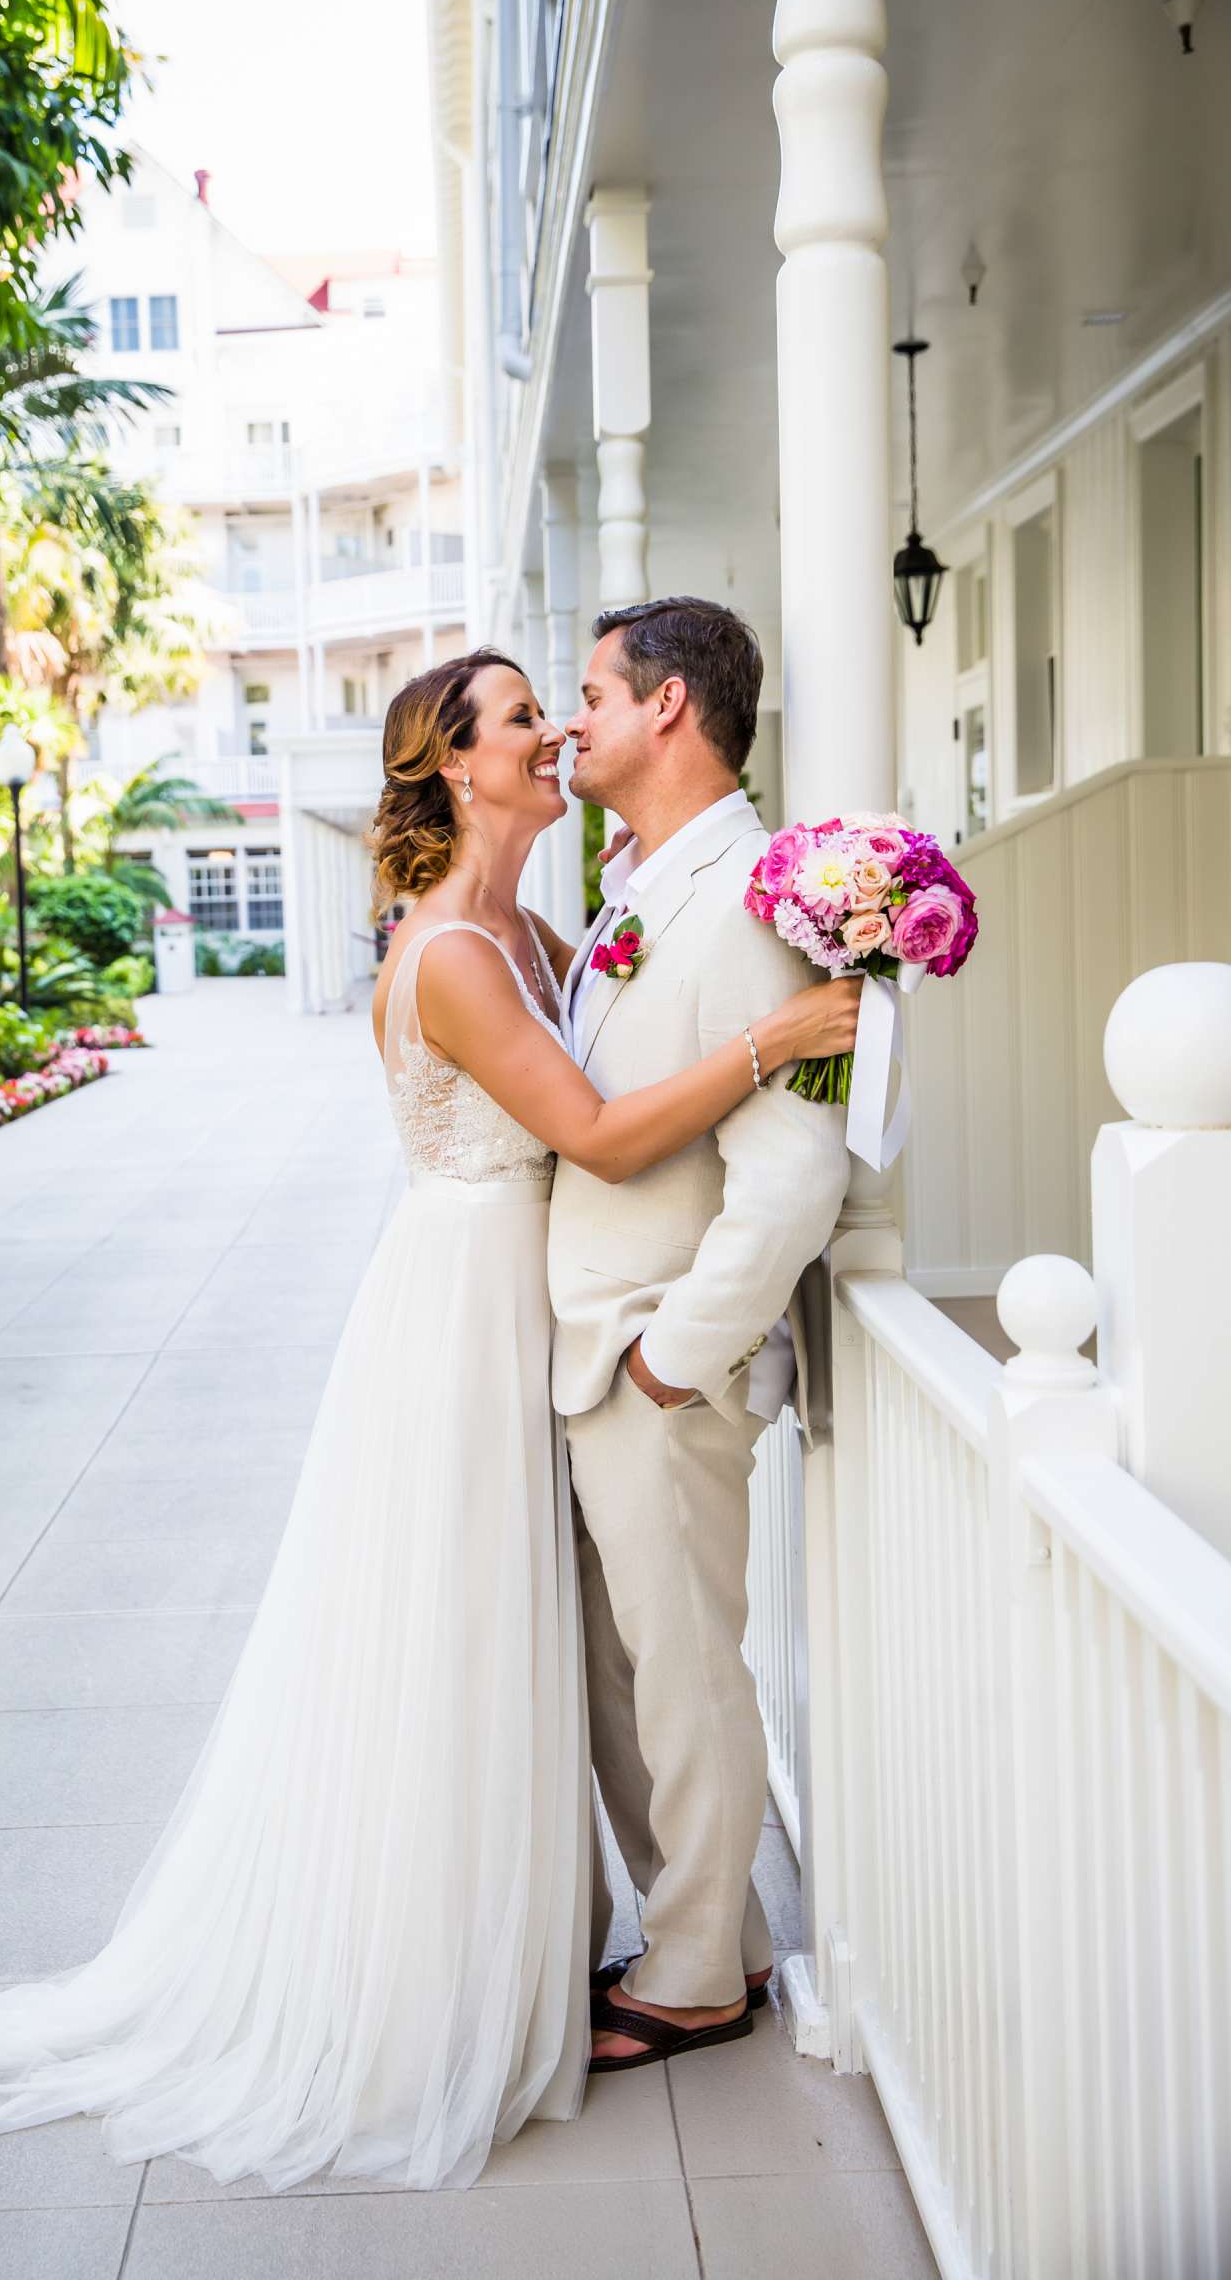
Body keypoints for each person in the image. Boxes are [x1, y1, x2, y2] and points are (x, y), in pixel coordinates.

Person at [0, 646, 858, 2189]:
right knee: (467, 1630)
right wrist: (770, 1044)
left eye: (559, 706)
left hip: (542, 1311)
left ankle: (625, 1945)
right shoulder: (458, 952)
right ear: (455, 766)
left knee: (557, 1642)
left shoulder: (549, 924)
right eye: (524, 717)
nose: (550, 732)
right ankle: (454, 1967)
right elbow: (594, 1135)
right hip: (465, 1310)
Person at [548, 598, 851, 2075]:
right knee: (623, 1675)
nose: (569, 719)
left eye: (593, 691)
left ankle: (696, 1980)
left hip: (656, 1367)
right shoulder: (641, 882)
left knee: (683, 1672)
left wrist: (680, 1358)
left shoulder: (749, 896)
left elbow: (794, 1172)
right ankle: (704, 1930)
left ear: (669, 708)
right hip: (599, 1356)